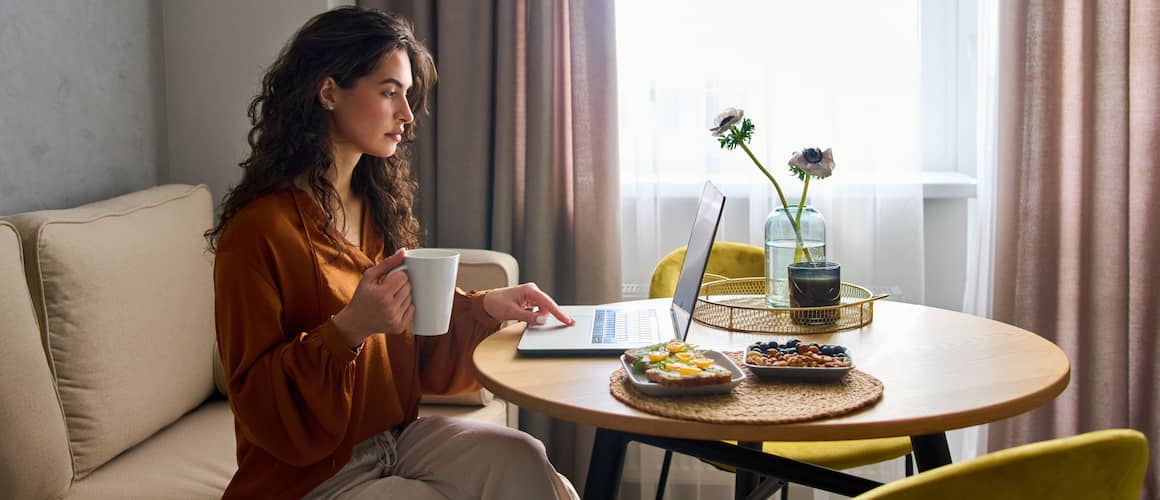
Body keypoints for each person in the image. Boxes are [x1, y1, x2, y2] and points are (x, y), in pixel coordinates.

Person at [205, 7, 579, 499]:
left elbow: (412, 348)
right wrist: (348, 329)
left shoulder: (375, 208)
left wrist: (486, 306)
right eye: (389, 93)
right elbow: (256, 402)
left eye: (407, 95)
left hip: (396, 439)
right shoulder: (257, 233)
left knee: (523, 458)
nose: (407, 114)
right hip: (304, 474)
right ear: (328, 92)